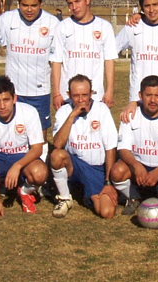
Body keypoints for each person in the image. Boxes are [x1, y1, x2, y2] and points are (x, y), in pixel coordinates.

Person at [110, 75, 158, 216]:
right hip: (137, 167)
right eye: (148, 95)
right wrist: (136, 166)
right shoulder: (130, 115)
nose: (152, 100)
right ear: (140, 95)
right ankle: (133, 197)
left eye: (157, 96)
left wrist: (157, 172)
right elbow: (123, 149)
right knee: (117, 171)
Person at [0, 0, 59, 160]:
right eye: (25, 5)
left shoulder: (52, 23)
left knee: (40, 135)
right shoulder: (6, 19)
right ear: (19, 3)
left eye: (34, 5)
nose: (29, 10)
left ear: (40, 3)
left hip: (39, 91)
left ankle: (41, 171)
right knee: (13, 133)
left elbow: (57, 58)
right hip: (14, 91)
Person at [0, 76, 47, 214]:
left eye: (6, 100)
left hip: (22, 158)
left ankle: (24, 192)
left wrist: (17, 166)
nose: (2, 106)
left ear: (14, 98)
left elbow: (37, 149)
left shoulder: (29, 112)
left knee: (40, 173)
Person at [50, 75, 118, 219]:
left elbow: (111, 148)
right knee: (56, 155)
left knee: (106, 212)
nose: (81, 100)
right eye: (76, 96)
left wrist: (108, 182)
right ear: (69, 95)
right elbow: (57, 144)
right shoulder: (63, 111)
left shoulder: (102, 110)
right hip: (74, 165)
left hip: (96, 168)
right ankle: (64, 198)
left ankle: (82, 192)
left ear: (91, 93)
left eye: (85, 95)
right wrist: (72, 115)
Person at [50, 0, 118, 110]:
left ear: (87, 0)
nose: (74, 7)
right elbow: (56, 62)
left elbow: (109, 61)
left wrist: (109, 91)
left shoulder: (104, 27)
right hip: (68, 97)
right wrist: (56, 93)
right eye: (70, 3)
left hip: (95, 96)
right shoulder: (62, 27)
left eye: (77, 1)